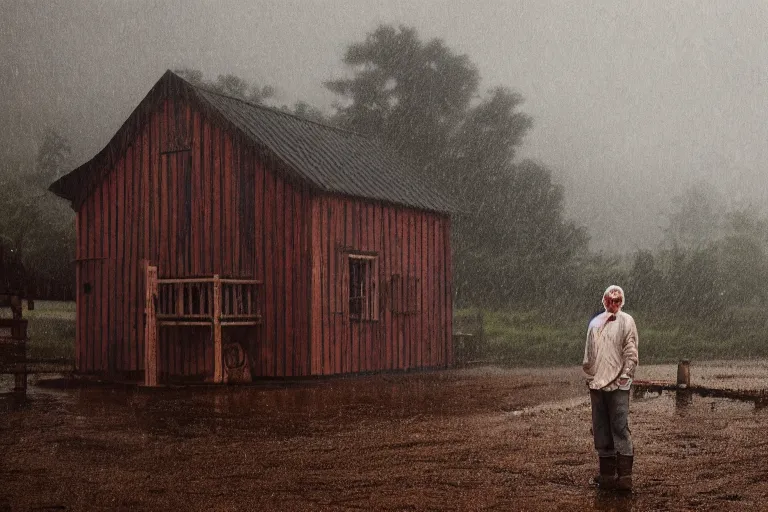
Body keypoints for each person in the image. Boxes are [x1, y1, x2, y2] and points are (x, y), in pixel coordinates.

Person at [582, 285, 639, 491]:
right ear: (604, 300)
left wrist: (626, 376)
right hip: (598, 384)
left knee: (620, 427)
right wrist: (591, 375)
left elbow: (631, 351)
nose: (613, 304)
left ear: (621, 302)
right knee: (601, 429)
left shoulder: (626, 321)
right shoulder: (595, 323)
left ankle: (625, 477)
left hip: (618, 384)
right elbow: (589, 354)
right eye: (609, 300)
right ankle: (606, 475)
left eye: (617, 300)